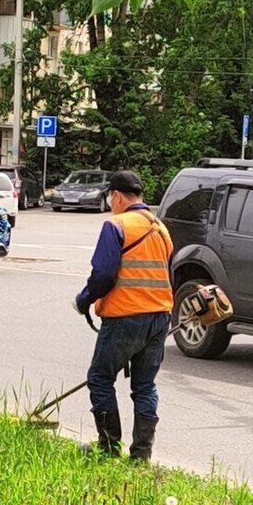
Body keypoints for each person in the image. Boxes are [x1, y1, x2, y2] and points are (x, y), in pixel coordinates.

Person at [73, 170, 174, 461]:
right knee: (145, 386)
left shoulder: (116, 224)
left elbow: (103, 274)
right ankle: (141, 455)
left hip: (125, 317)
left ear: (117, 196)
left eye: (110, 197)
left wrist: (84, 301)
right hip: (159, 317)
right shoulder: (161, 228)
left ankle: (108, 449)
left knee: (100, 379)